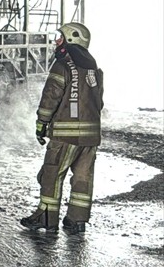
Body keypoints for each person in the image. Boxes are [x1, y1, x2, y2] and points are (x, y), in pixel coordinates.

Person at [20, 22, 103, 235]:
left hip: (66, 136)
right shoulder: (93, 69)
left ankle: (46, 218)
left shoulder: (63, 66)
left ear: (70, 41)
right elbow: (98, 103)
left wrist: (41, 124)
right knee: (83, 179)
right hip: (91, 137)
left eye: (61, 38)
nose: (57, 42)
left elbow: (50, 98)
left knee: (51, 175)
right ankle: (77, 221)